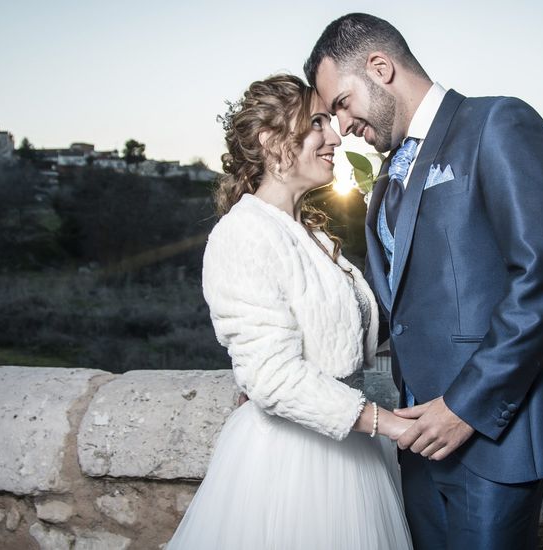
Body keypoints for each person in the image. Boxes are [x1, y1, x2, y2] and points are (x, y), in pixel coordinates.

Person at [306, 13, 543, 549]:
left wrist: (464, 408)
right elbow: (399, 308)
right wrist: (283, 369)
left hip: (495, 437)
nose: (340, 127)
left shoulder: (498, 123)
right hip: (418, 441)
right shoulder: (385, 177)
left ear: (380, 67)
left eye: (341, 103)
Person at [166, 74, 413, 550]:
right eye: (318, 122)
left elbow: (350, 332)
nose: (336, 136)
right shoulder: (242, 235)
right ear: (271, 140)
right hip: (292, 466)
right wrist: (389, 423)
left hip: (350, 451)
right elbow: (273, 377)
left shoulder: (313, 235)